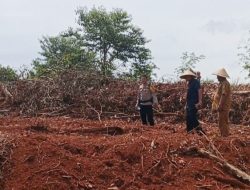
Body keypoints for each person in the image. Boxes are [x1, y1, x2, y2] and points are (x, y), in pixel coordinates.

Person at [180, 69, 204, 135]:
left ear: (190, 76)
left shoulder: (195, 82)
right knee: (188, 117)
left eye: (187, 76)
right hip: (189, 103)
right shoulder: (189, 83)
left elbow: (199, 91)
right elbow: (188, 94)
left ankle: (200, 132)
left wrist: (200, 101)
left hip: (194, 103)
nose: (186, 78)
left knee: (192, 117)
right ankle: (189, 132)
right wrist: (186, 104)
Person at [212, 68, 231, 137]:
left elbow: (224, 95)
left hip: (223, 106)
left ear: (221, 76)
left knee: (223, 121)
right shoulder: (222, 83)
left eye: (218, 76)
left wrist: (220, 105)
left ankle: (225, 136)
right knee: (221, 121)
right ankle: (223, 135)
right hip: (222, 106)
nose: (217, 77)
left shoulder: (225, 83)